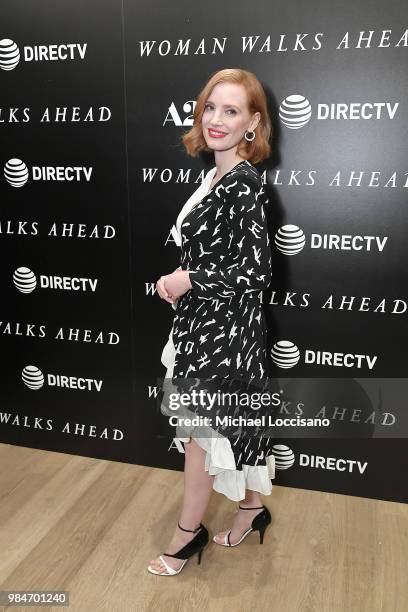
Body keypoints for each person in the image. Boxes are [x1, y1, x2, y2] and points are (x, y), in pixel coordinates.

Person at [148, 68, 275, 576]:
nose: (216, 120)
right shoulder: (217, 173)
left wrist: (190, 279)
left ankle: (186, 535)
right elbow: (218, 253)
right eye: (210, 108)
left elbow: (257, 272)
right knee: (222, 430)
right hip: (205, 326)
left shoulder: (242, 182)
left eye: (231, 110)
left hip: (224, 335)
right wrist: (183, 278)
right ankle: (251, 509)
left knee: (201, 436)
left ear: (252, 122)